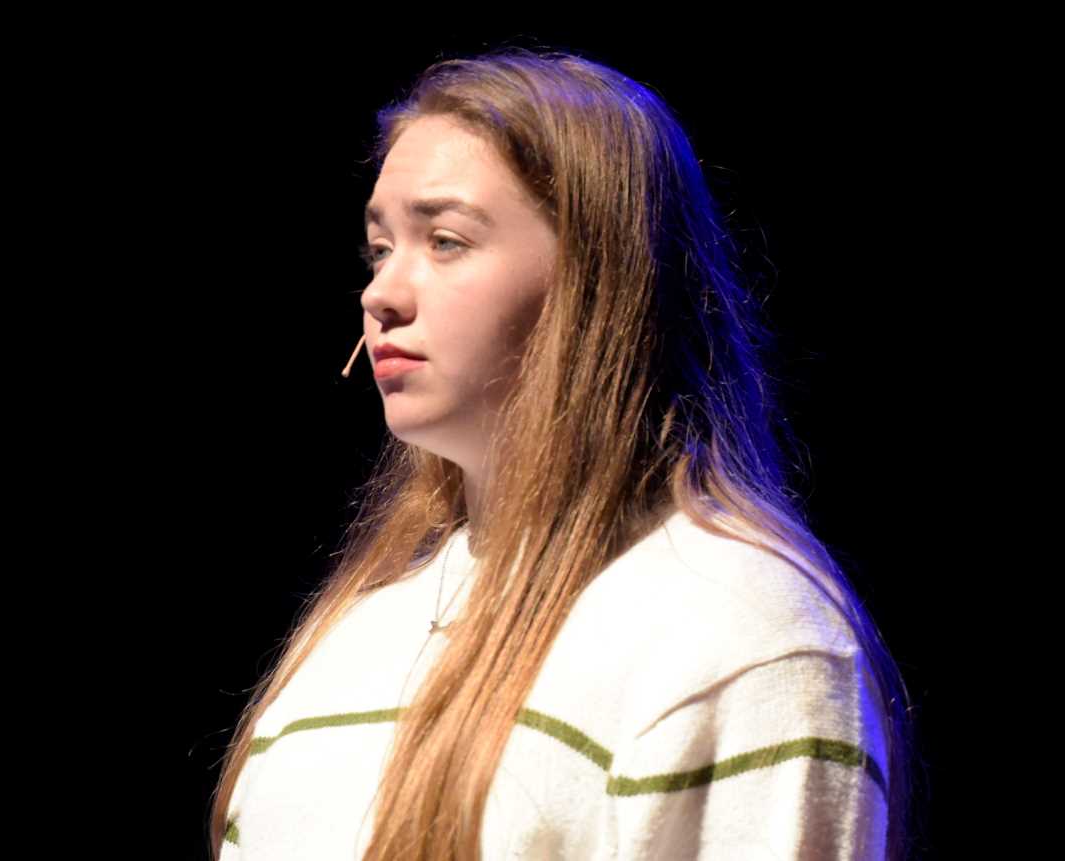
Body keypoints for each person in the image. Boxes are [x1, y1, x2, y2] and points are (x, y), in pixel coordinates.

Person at [209, 45, 915, 860]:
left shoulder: (735, 630)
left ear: (595, 277)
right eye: (380, 248)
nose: (381, 293)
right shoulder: (354, 633)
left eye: (444, 240)